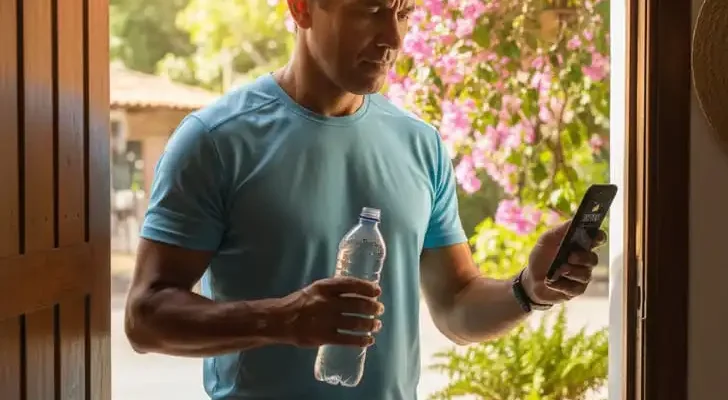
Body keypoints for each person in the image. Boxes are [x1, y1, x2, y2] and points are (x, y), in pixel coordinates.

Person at [123, 0, 605, 399]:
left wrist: (528, 290)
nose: (393, 39)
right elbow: (145, 318)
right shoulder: (215, 141)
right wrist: (282, 319)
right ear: (302, 8)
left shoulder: (421, 144)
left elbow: (456, 306)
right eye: (371, 10)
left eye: (403, 13)